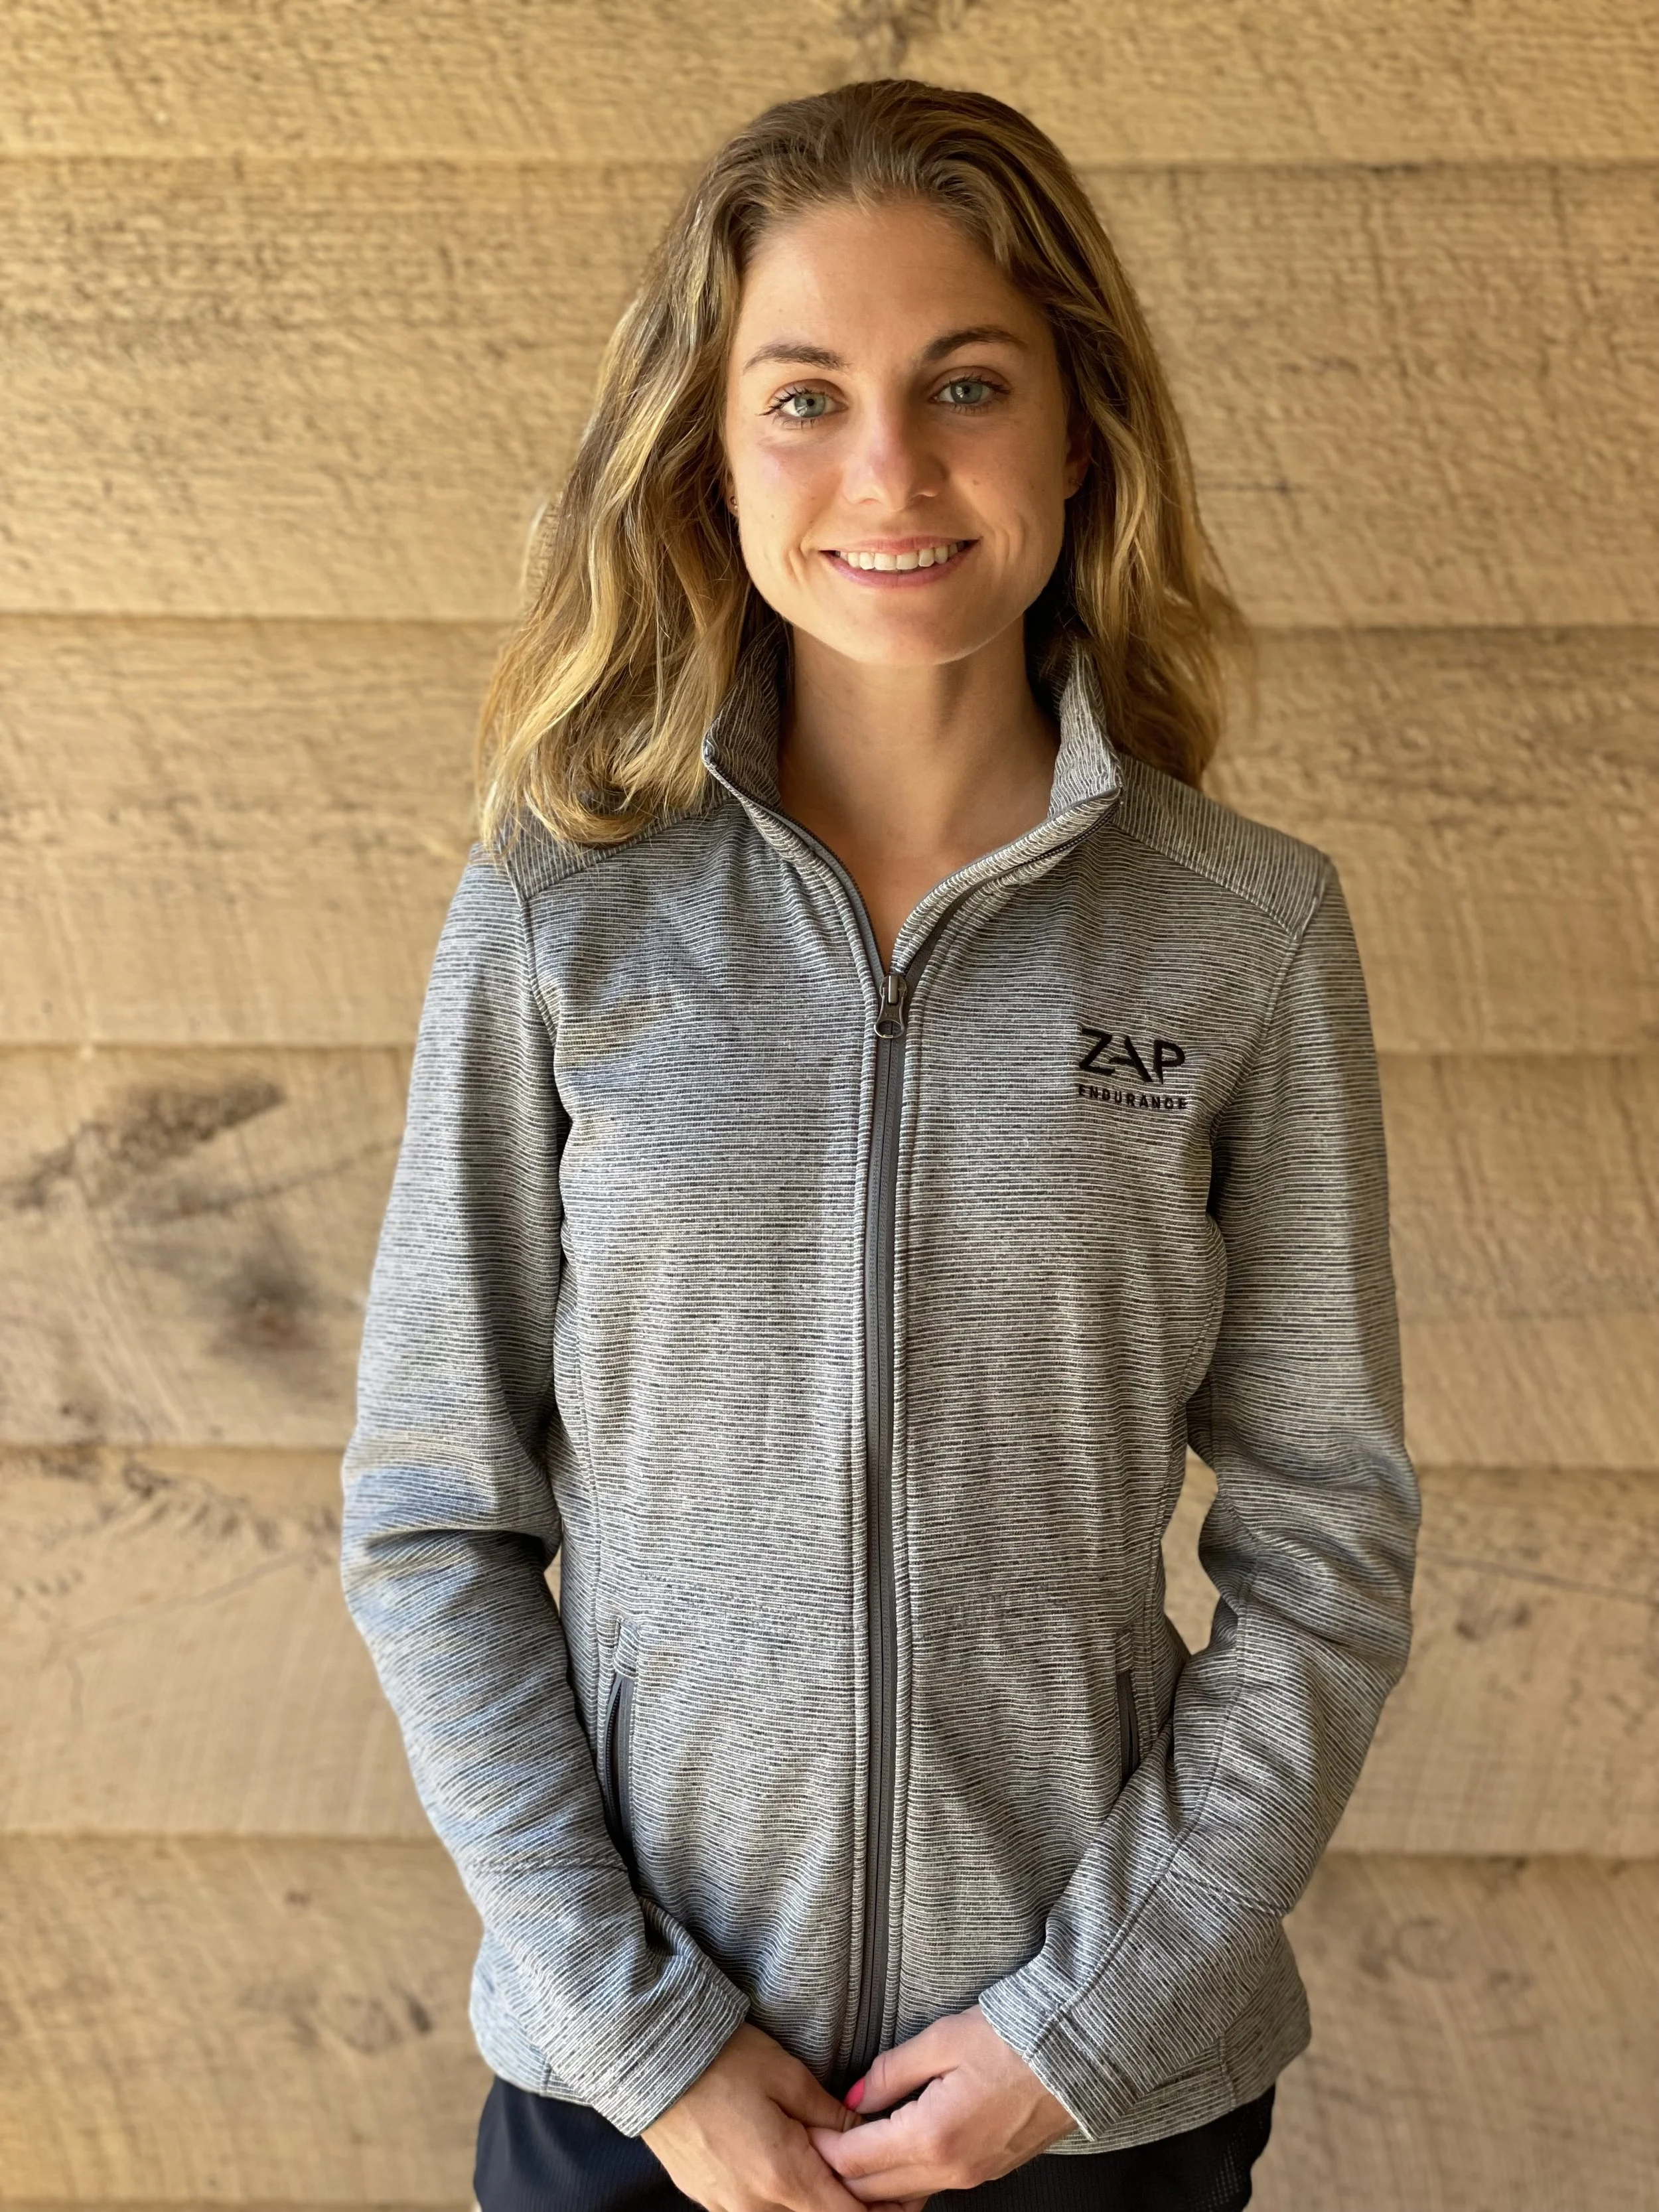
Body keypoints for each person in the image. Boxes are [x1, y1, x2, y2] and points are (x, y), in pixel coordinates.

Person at [339, 76, 1420, 2212]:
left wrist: (1068, 2035)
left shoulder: (1242, 929)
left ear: (1078, 423)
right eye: (805, 396)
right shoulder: (565, 911)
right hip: (637, 2107)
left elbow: (1325, 1543)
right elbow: (430, 1520)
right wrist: (645, 2035)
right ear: (706, 453)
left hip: (1089, 2107)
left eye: (965, 385)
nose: (892, 470)